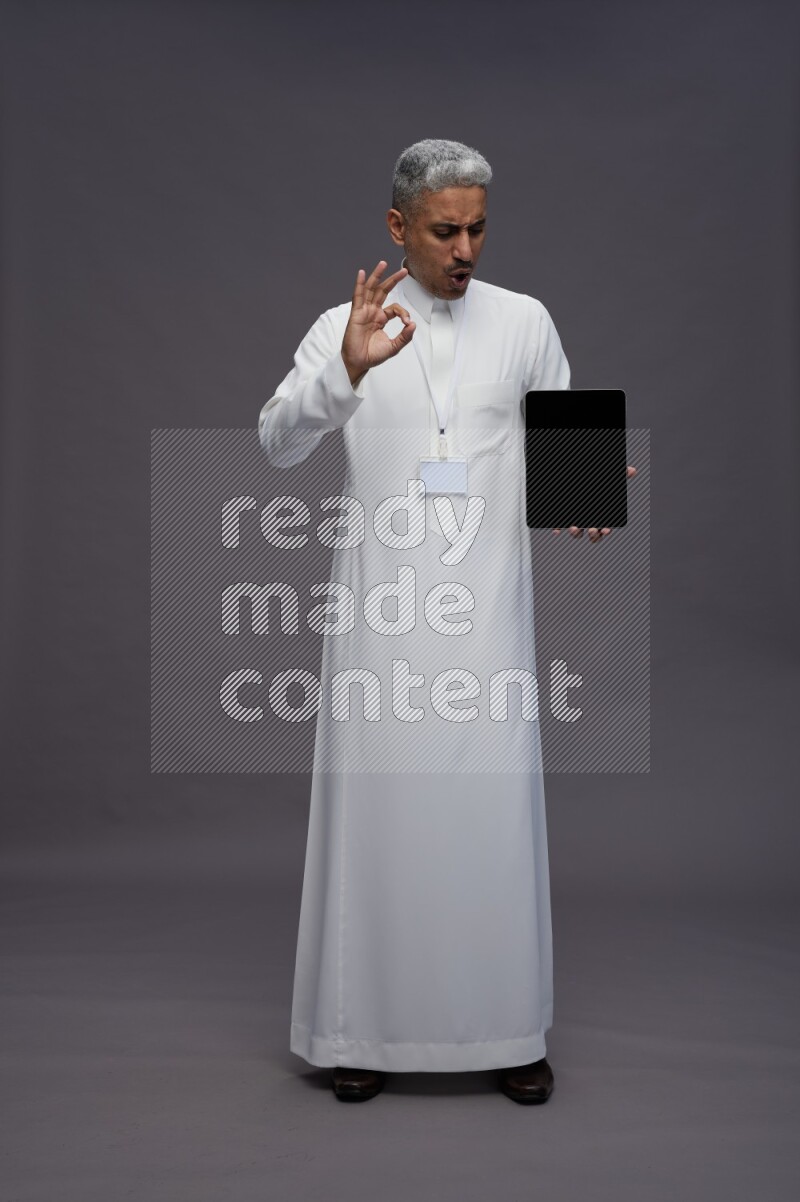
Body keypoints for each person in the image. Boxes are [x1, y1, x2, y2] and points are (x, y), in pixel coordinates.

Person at [258, 139, 633, 1104]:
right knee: (378, 825)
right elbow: (277, 445)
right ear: (396, 228)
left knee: (491, 826)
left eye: (477, 229)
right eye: (444, 229)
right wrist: (341, 372)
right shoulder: (343, 327)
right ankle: (361, 1034)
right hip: (379, 625)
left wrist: (588, 494)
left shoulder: (524, 321)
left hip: (487, 626)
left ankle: (508, 1031)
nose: (465, 247)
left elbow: (569, 454)